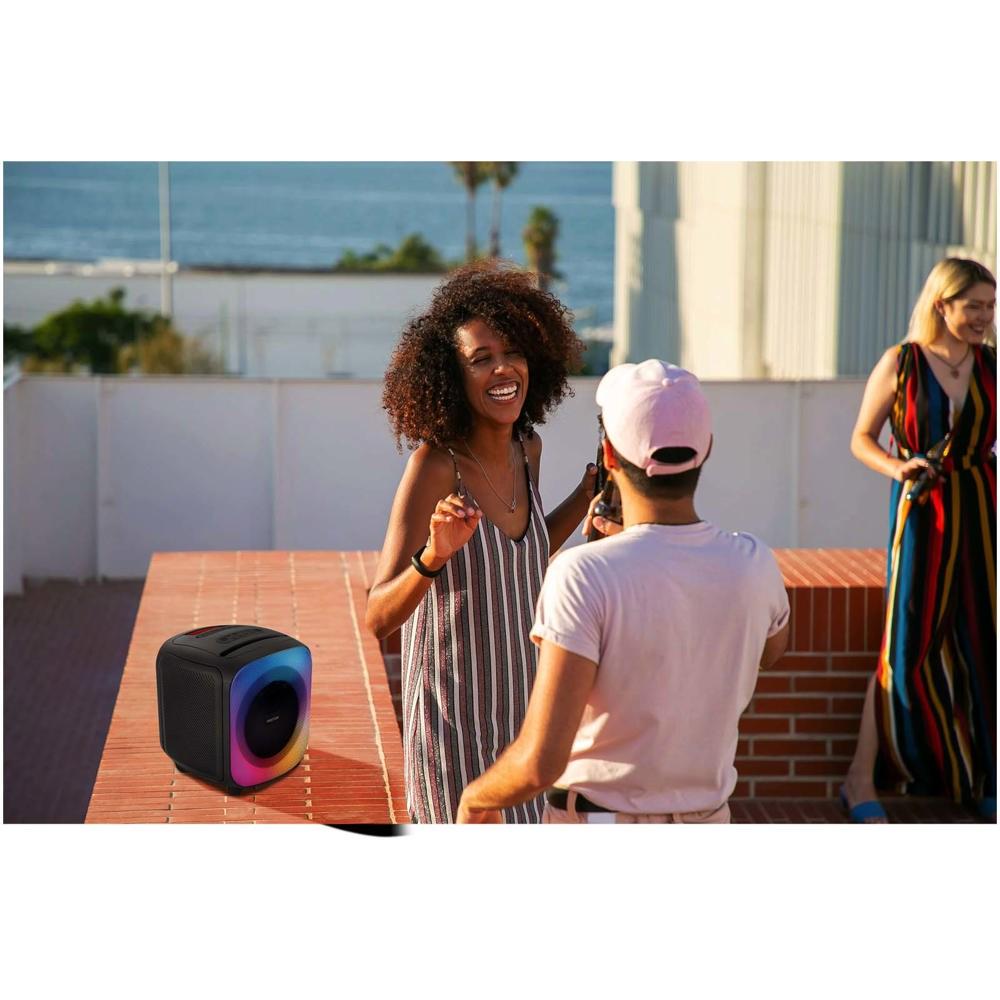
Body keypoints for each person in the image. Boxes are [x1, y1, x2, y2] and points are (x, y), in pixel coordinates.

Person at [456, 360, 790, 824]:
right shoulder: (755, 563)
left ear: (609, 456)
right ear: (706, 448)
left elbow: (540, 762)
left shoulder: (582, 575)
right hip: (709, 819)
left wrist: (476, 799)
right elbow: (771, 651)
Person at [365, 261, 597, 823]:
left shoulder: (528, 449)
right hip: (450, 733)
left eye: (513, 352)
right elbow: (377, 616)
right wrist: (433, 556)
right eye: (481, 358)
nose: (502, 369)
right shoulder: (434, 467)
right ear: (452, 376)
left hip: (522, 718)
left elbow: (519, 559)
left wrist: (585, 497)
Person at [844, 257, 996, 823]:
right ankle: (859, 779)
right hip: (922, 508)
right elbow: (861, 438)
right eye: (974, 306)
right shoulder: (901, 362)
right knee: (904, 643)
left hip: (981, 508)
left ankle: (984, 778)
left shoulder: (992, 365)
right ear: (942, 304)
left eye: (990, 306)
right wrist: (896, 467)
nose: (985, 317)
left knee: (984, 644)